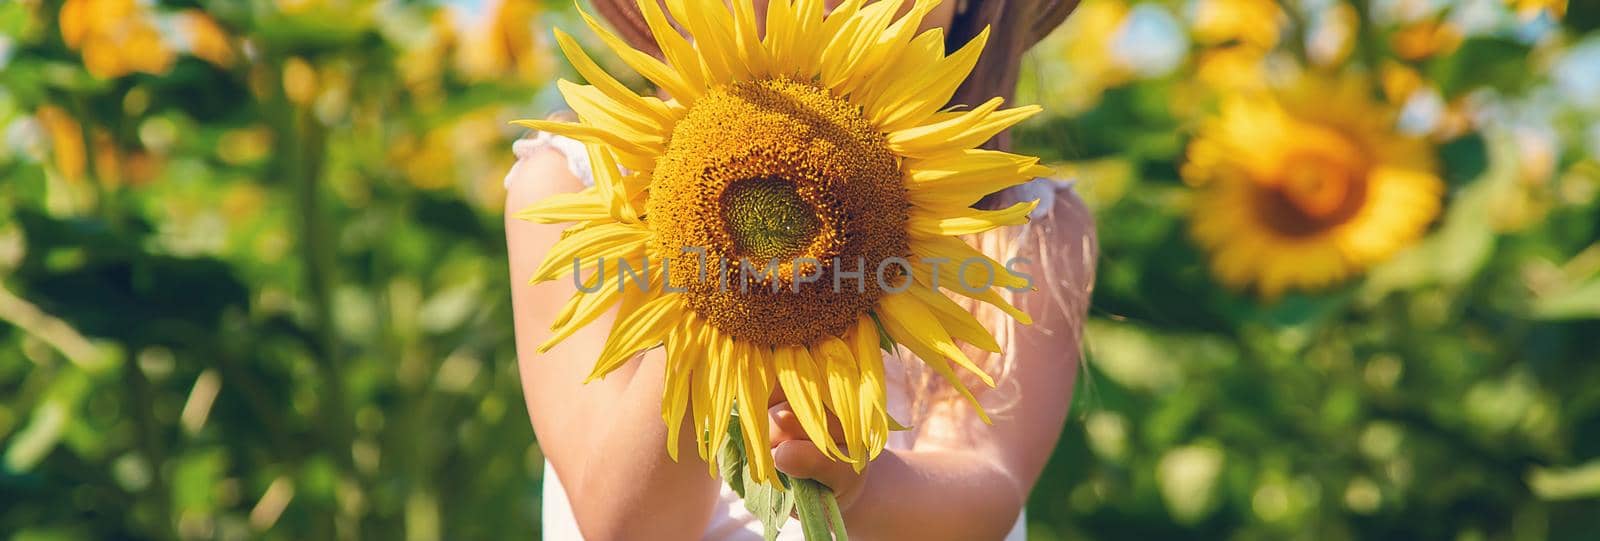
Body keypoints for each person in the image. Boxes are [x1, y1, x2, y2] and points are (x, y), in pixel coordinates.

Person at [503, 1, 1093, 538]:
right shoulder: (574, 188)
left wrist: (863, 489)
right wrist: (702, 287)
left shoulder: (1022, 228)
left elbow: (987, 485)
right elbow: (626, 525)